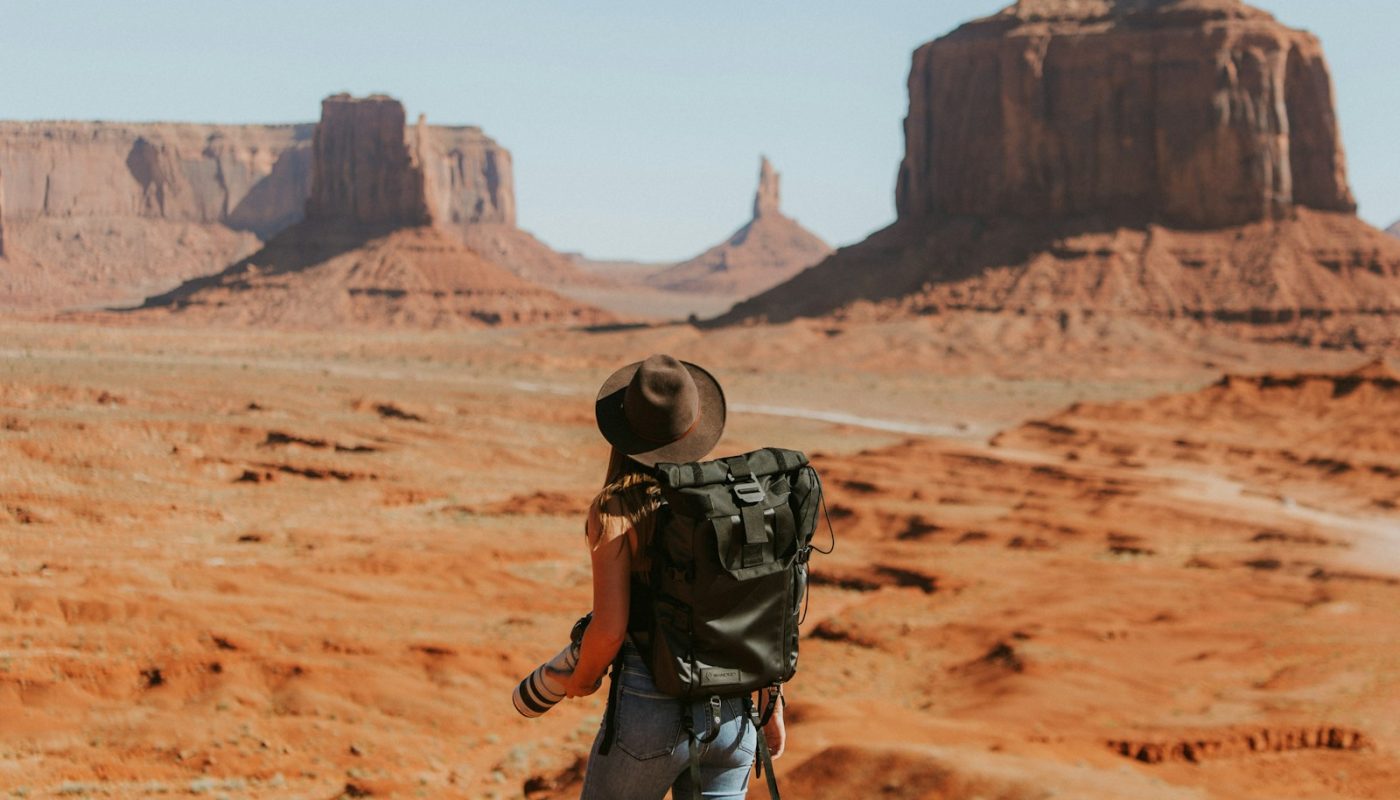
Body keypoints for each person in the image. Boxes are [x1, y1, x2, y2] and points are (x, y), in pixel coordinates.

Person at [557, 353, 786, 800]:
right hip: (735, 715)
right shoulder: (731, 503)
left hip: (650, 713)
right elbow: (758, 610)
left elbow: (608, 630)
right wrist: (772, 702)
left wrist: (581, 678)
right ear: (696, 427)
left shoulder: (615, 510)